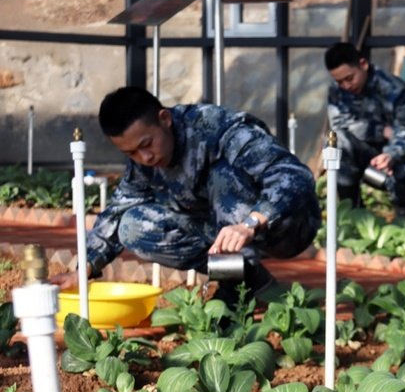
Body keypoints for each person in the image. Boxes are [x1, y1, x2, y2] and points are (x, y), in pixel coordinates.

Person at [52, 86, 321, 305]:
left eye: (146, 144)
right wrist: (84, 270)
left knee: (222, 175)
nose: (144, 157)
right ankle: (244, 278)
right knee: (132, 226)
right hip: (226, 234)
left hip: (286, 227)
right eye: (131, 153)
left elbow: (293, 175)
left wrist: (250, 223)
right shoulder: (143, 162)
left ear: (165, 119)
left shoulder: (219, 129)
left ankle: (233, 289)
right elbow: (119, 209)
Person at [324, 42, 405, 218]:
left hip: (404, 154)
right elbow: (340, 125)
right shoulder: (336, 91)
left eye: (349, 78)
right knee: (337, 143)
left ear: (363, 64)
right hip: (367, 151)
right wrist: (380, 130)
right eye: (340, 81)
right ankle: (352, 212)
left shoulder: (395, 89)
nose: (346, 86)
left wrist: (392, 155)